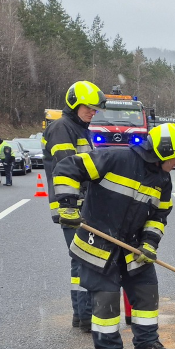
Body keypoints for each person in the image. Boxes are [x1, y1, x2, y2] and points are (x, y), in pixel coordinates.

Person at [53, 122, 175, 349]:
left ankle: (147, 344)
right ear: (161, 151)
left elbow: (159, 216)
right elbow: (67, 168)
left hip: (133, 247)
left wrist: (150, 243)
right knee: (106, 299)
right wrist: (67, 204)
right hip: (98, 246)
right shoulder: (114, 159)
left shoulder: (163, 179)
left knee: (147, 293)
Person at [45, 81, 102, 331]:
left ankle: (81, 315)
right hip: (72, 207)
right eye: (89, 108)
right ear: (74, 104)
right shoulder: (62, 128)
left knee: (80, 262)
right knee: (85, 260)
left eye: (95, 109)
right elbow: (68, 166)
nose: (93, 112)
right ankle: (86, 316)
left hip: (81, 206)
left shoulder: (80, 129)